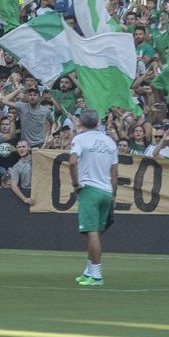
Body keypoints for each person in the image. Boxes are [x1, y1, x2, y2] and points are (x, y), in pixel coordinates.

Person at [66, 109, 119, 286]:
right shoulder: (109, 141)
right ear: (98, 123)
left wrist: (75, 184)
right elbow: (114, 171)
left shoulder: (80, 139)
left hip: (89, 189)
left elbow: (72, 161)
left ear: (80, 123)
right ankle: (89, 271)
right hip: (106, 191)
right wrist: (113, 194)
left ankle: (97, 275)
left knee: (92, 232)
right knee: (94, 233)